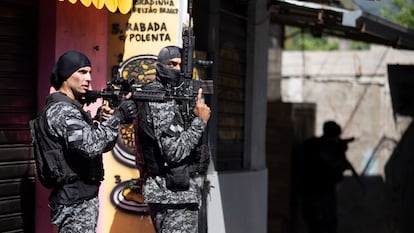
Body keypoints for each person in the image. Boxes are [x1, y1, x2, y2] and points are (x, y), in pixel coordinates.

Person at [38, 50, 137, 233]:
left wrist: (106, 120)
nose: (89, 78)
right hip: (74, 203)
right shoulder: (61, 111)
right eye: (82, 72)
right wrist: (118, 116)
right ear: (66, 76)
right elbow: (90, 146)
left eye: (90, 72)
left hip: (81, 199)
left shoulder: (72, 110)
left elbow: (101, 145)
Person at [137, 45, 211, 233]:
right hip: (172, 195)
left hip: (177, 193)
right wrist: (200, 122)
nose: (177, 69)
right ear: (160, 66)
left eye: (180, 65)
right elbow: (174, 152)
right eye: (172, 64)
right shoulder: (159, 98)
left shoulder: (174, 95)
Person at [295, 120, 355, 233]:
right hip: (322, 194)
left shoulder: (310, 144)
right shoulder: (327, 148)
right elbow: (338, 171)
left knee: (314, 226)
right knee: (326, 225)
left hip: (309, 194)